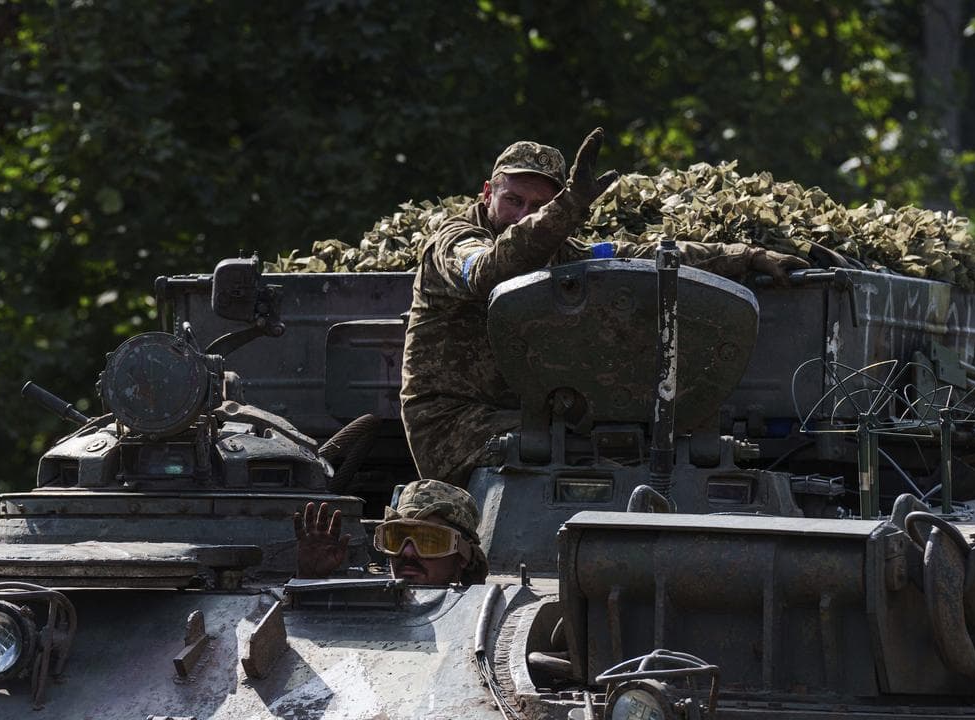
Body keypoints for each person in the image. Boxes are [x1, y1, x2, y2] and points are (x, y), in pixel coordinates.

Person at [399, 127, 810, 487]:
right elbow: (489, 271)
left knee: (629, 441)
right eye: (514, 201)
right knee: (602, 449)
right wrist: (565, 209)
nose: (523, 216)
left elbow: (641, 256)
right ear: (488, 193)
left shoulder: (563, 256)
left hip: (527, 421)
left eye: (539, 206)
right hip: (451, 425)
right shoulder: (454, 243)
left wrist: (746, 255)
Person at [293, 479, 488, 586]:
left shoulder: (484, 620)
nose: (407, 552)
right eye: (396, 539)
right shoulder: (364, 606)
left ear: (462, 555)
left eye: (429, 541)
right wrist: (309, 580)